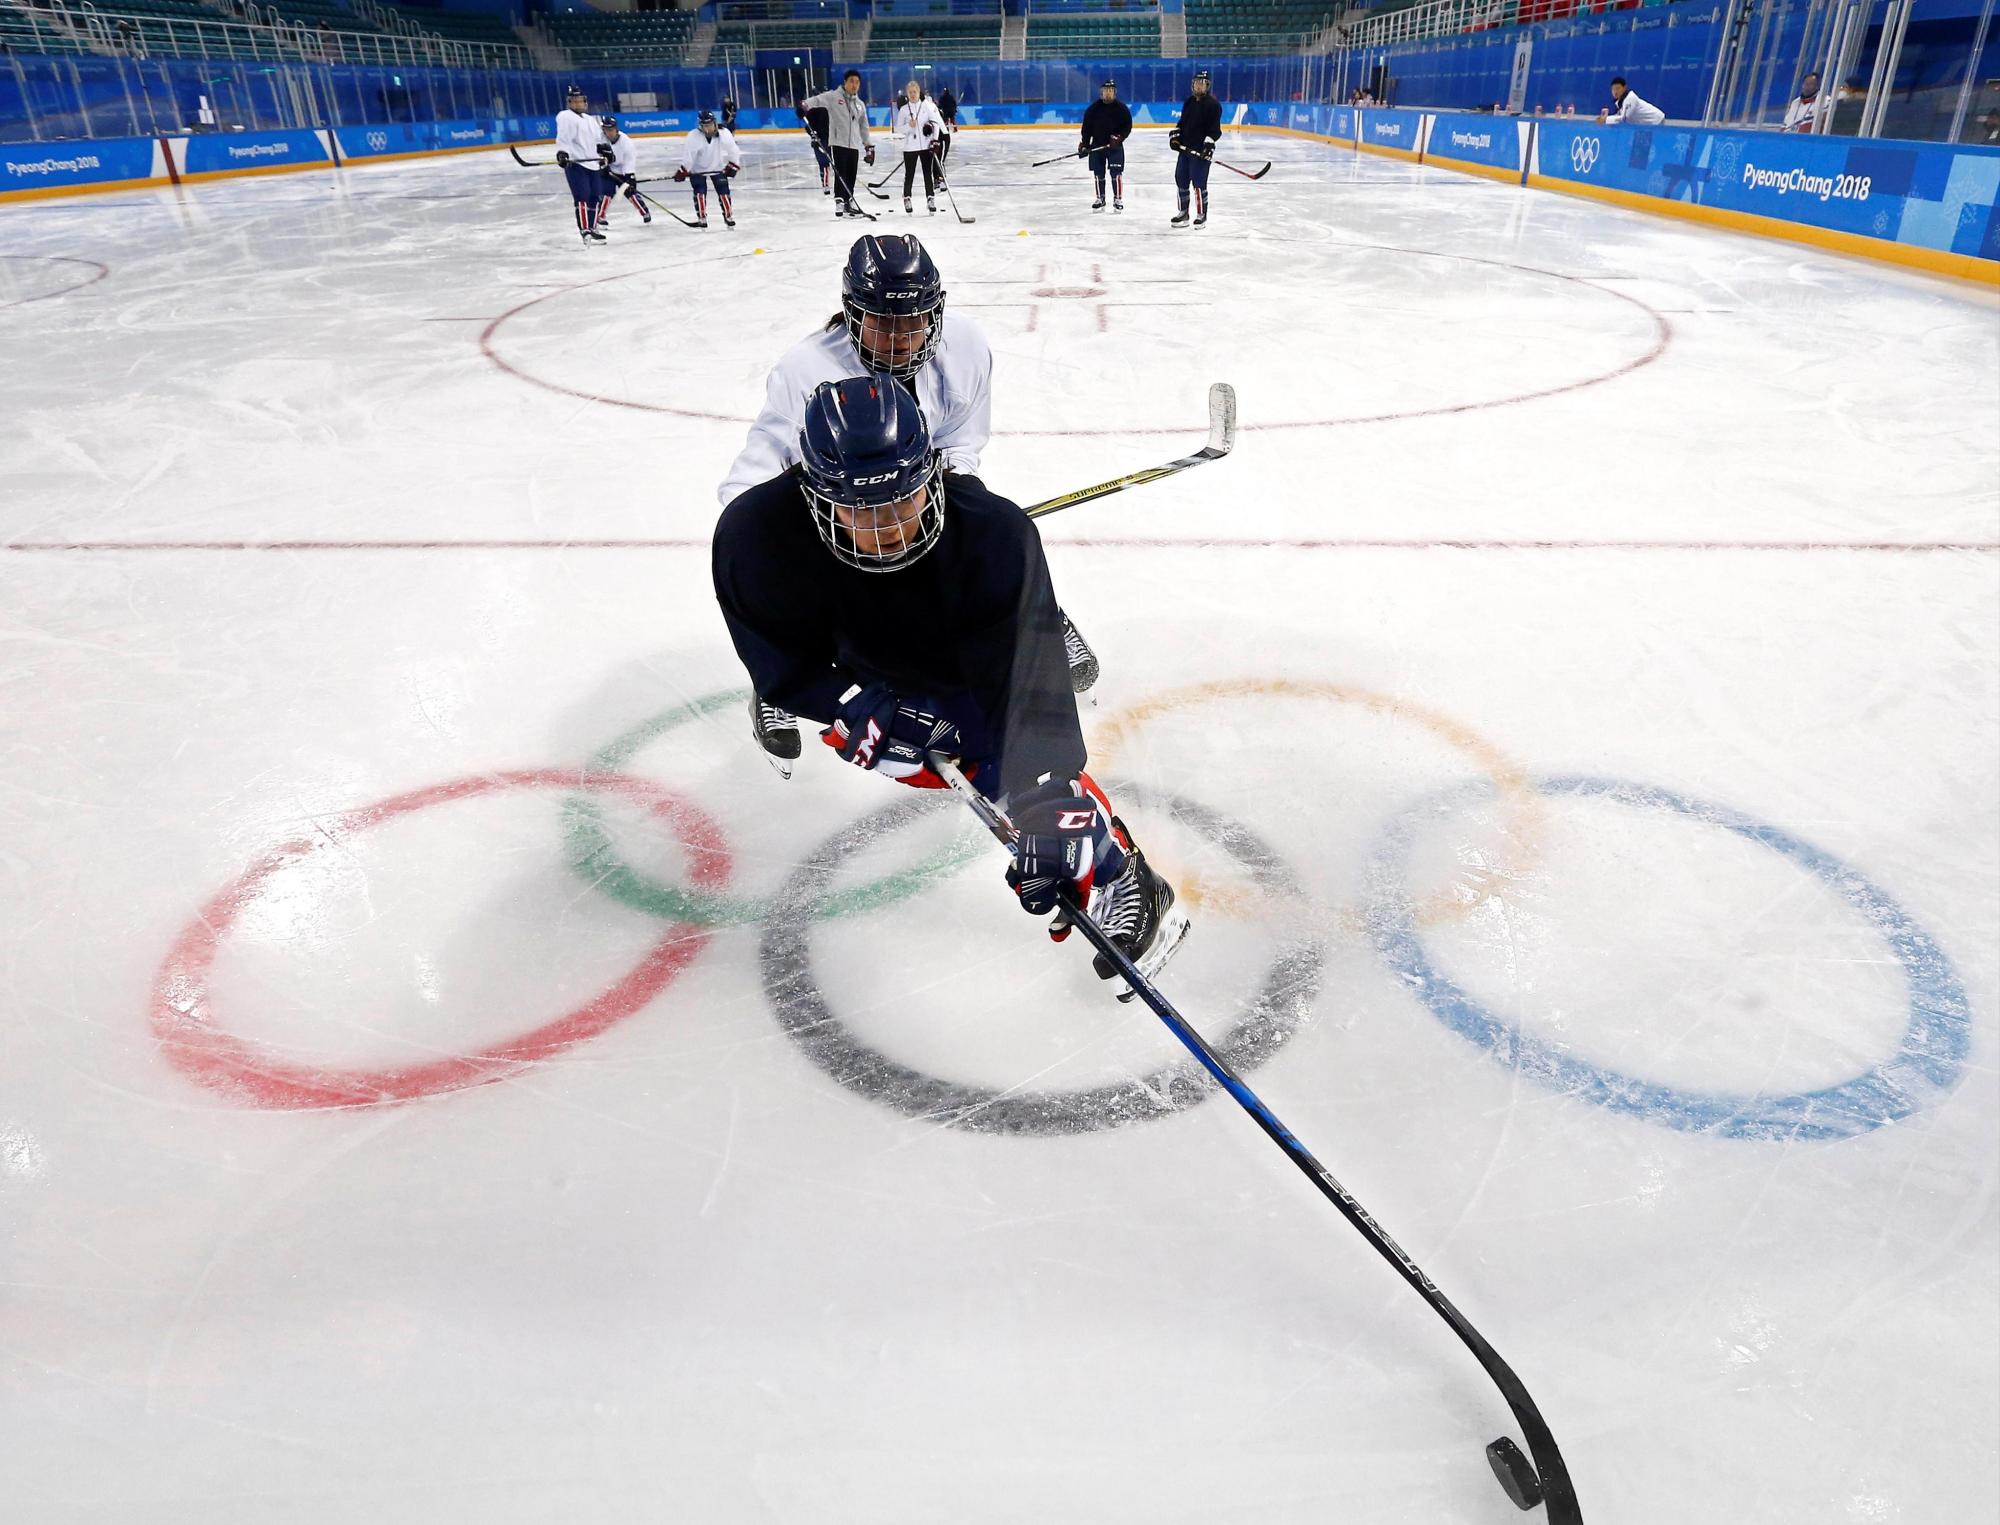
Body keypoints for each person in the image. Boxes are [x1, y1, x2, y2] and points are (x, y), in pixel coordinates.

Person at [712, 375, 1188, 998]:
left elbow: (1025, 683)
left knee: (998, 765)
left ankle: (1123, 874)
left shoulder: (996, 535)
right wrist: (843, 703)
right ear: (815, 493)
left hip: (960, 654)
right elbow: (777, 663)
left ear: (932, 470)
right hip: (859, 661)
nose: (888, 527)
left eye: (902, 499)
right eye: (862, 508)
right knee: (897, 752)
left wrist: (1044, 799)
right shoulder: (754, 538)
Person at [716, 234, 1100, 766]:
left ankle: (1041, 619)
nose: (901, 338)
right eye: (883, 322)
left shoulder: (965, 345)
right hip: (828, 509)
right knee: (825, 604)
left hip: (921, 482)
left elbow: (963, 439)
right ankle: (775, 675)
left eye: (915, 320)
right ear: (852, 314)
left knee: (989, 550)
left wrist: (947, 500)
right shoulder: (805, 373)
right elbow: (754, 489)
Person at [800, 69, 875, 218]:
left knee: (851, 174)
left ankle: (849, 201)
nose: (854, 85)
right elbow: (817, 100)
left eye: (857, 82)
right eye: (852, 81)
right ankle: (839, 201)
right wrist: (804, 105)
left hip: (853, 144)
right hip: (838, 143)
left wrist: (868, 146)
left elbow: (864, 127)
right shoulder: (834, 97)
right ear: (845, 82)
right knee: (841, 172)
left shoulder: (860, 104)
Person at [553, 85, 615, 245]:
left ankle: (593, 228)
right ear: (569, 102)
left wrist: (604, 149)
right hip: (576, 164)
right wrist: (562, 152)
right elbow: (563, 138)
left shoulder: (590, 119)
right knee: (582, 197)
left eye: (580, 101)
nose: (578, 104)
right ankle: (585, 230)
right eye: (574, 101)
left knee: (595, 197)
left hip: (593, 164)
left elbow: (597, 140)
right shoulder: (565, 116)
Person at [1170, 69, 1221, 228]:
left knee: (1199, 184)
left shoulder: (1213, 105)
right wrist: (1176, 137)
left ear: (1208, 86)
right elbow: (1182, 123)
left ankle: (1201, 215)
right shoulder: (1189, 102)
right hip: (1185, 150)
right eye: (1197, 83)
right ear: (1193, 85)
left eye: (1203, 83)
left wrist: (1208, 146)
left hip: (1200, 153)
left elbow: (1215, 130)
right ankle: (1183, 213)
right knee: (1181, 179)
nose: (1199, 86)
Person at [675, 108, 741, 229]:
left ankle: (728, 216)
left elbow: (733, 150)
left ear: (715, 123)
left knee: (724, 192)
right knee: (699, 193)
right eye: (704, 125)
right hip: (698, 170)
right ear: (700, 125)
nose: (707, 129)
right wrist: (683, 170)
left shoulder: (724, 133)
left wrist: (733, 165)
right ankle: (702, 217)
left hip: (717, 167)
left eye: (710, 125)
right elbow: (688, 157)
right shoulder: (693, 136)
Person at [1078, 77, 1130, 214]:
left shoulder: (1122, 109)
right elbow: (1086, 129)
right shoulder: (1093, 110)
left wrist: (1119, 138)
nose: (1108, 93)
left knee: (1116, 174)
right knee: (1098, 174)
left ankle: (1118, 199)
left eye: (1110, 91)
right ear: (1101, 92)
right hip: (1097, 146)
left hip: (1115, 147)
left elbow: (1127, 126)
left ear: (1114, 92)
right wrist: (1085, 144)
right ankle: (1100, 198)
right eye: (1106, 91)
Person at [893, 79, 944, 216]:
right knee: (909, 174)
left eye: (915, 92)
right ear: (907, 94)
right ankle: (907, 198)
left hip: (926, 146)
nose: (913, 94)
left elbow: (936, 123)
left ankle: (930, 199)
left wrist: (935, 141)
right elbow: (898, 129)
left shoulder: (926, 106)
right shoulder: (904, 110)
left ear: (918, 91)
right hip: (910, 147)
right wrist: (908, 127)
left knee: (928, 173)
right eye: (910, 92)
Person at [596, 117, 652, 226]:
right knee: (606, 193)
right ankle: (600, 216)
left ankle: (645, 212)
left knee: (630, 193)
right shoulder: (600, 139)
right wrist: (602, 164)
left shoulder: (626, 142)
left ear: (616, 129)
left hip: (622, 170)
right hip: (608, 170)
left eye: (611, 130)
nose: (609, 133)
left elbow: (629, 160)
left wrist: (629, 175)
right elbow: (595, 153)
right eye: (606, 130)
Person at [1598, 76, 1665, 126]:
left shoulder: (1631, 98)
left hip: (1656, 120)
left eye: (1617, 88)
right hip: (1645, 124)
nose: (1615, 92)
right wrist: (1605, 119)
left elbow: (1625, 118)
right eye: (1613, 89)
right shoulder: (1620, 102)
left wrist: (1606, 119)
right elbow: (1620, 116)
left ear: (1625, 88)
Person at [934, 84, 958, 185]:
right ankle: (938, 176)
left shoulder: (942, 99)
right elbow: (953, 104)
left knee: (939, 158)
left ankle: (939, 176)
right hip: (948, 116)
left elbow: (942, 105)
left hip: (945, 118)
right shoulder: (949, 98)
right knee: (939, 159)